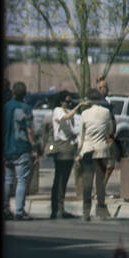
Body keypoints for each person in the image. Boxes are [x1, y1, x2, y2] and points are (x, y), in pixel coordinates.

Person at [76, 89, 116, 221]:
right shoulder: (106, 112)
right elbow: (110, 131)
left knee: (87, 182)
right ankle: (101, 208)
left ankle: (86, 211)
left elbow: (81, 135)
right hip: (102, 150)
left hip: (87, 150)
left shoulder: (84, 114)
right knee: (100, 182)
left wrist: (79, 151)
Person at [3, 81, 38, 220]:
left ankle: (5, 208)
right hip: (22, 147)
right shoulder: (26, 108)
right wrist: (34, 147)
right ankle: (19, 210)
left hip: (7, 148)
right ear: (25, 94)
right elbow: (29, 130)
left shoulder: (5, 107)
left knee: (9, 180)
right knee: (22, 180)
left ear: (13, 93)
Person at [48, 91, 81, 219]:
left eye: (70, 102)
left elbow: (71, 127)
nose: (69, 104)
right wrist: (76, 108)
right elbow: (64, 118)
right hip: (61, 147)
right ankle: (56, 208)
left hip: (69, 145)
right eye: (67, 101)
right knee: (59, 178)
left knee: (64, 179)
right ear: (61, 102)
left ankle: (60, 207)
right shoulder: (58, 111)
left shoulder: (68, 112)